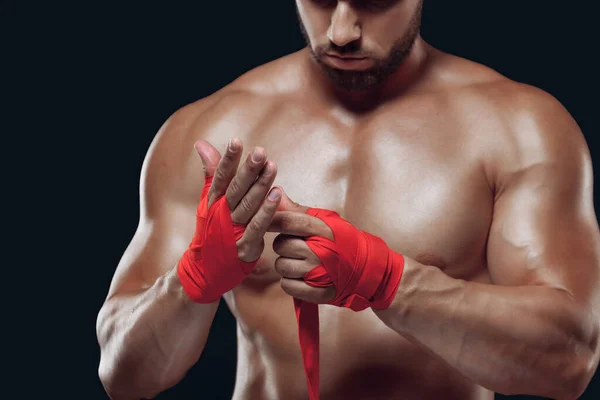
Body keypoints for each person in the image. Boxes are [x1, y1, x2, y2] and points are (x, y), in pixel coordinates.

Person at [96, 0, 600, 399]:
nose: (340, 30)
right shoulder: (209, 130)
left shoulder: (519, 129)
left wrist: (388, 280)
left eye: (373, 0)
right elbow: (123, 375)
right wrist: (191, 284)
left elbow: (570, 361)